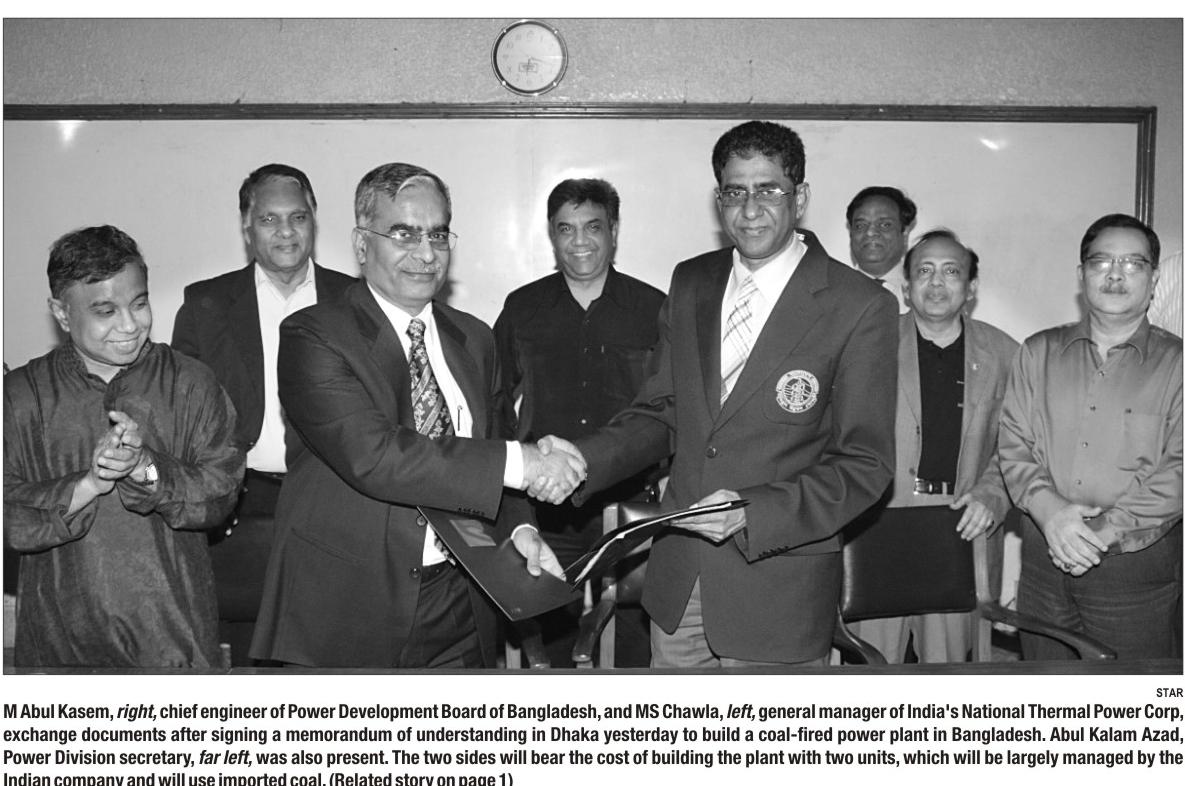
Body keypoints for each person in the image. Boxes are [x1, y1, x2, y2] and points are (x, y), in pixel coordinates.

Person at [561, 121, 898, 667]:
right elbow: (663, 410)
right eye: (735, 192)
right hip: (680, 580)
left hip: (777, 590)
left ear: (800, 198)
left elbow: (866, 465)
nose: (750, 209)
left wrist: (752, 512)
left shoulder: (858, 305)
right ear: (719, 200)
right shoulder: (692, 281)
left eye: (769, 190)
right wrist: (582, 459)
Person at [250, 163, 582, 668]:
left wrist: (520, 530)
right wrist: (525, 462)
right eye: (404, 234)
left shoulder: (474, 338)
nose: (427, 254)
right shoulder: (313, 335)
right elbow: (377, 457)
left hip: (461, 602)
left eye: (438, 235)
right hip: (349, 606)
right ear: (362, 244)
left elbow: (493, 444)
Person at [4, 225, 244, 668]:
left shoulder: (191, 383)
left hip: (174, 647)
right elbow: (9, 518)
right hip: (59, 652)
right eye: (106, 311)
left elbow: (221, 495)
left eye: (139, 303)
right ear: (61, 313)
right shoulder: (21, 396)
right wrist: (88, 485)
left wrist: (145, 469)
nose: (130, 325)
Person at [172, 163, 354, 665]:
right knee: (245, 656)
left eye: (298, 217)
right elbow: (180, 413)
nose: (286, 232)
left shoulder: (355, 300)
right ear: (246, 225)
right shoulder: (206, 304)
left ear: (314, 220)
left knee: (331, 652)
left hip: (334, 500)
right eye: (270, 219)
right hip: (241, 505)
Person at [494, 178, 666, 666]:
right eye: (565, 229)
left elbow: (670, 404)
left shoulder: (654, 308)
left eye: (593, 227)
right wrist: (511, 471)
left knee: (635, 639)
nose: (579, 241)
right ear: (552, 235)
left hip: (632, 502)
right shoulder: (523, 307)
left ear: (614, 230)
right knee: (551, 633)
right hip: (548, 504)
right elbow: (495, 399)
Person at [999, 213, 1182, 660]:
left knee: (1130, 697)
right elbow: (1014, 445)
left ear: (1154, 278)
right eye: (1101, 262)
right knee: (1044, 690)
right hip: (1043, 557)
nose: (1116, 274)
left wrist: (1098, 534)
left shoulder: (1178, 364)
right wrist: (1052, 515)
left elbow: (1179, 471)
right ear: (1081, 275)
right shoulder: (1037, 352)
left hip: (1134, 570)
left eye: (1133, 263)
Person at [849, 229, 1018, 662]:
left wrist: (993, 493)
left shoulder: (1006, 354)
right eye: (924, 271)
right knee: (868, 670)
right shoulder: (869, 342)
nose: (936, 282)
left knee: (948, 675)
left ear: (971, 287)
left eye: (951, 271)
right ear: (906, 287)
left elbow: (1022, 444)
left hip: (960, 527)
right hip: (877, 526)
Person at [846, 186, 917, 314]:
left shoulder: (923, 291)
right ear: (851, 233)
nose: (870, 232)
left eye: (885, 225)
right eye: (860, 225)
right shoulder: (828, 293)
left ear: (905, 232)